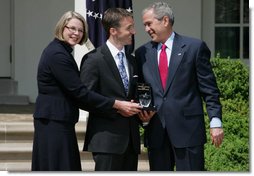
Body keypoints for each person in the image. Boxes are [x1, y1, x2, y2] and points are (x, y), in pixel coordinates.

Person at [31, 11, 141, 171]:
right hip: (53, 121)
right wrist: (117, 104)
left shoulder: (63, 52)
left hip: (61, 120)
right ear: (62, 27)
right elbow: (80, 92)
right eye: (72, 28)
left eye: (80, 30)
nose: (76, 33)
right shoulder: (58, 54)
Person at [135, 2, 224, 171]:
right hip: (156, 133)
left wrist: (216, 122)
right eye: (144, 25)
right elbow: (141, 90)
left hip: (188, 132)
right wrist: (143, 118)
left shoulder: (194, 47)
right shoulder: (142, 53)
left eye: (149, 23)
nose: (146, 29)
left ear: (165, 20)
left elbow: (209, 89)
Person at [80, 8, 140, 171]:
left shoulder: (132, 61)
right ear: (113, 31)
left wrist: (144, 112)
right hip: (106, 141)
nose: (133, 32)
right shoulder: (93, 59)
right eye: (129, 28)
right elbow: (84, 98)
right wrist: (116, 106)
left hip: (131, 142)